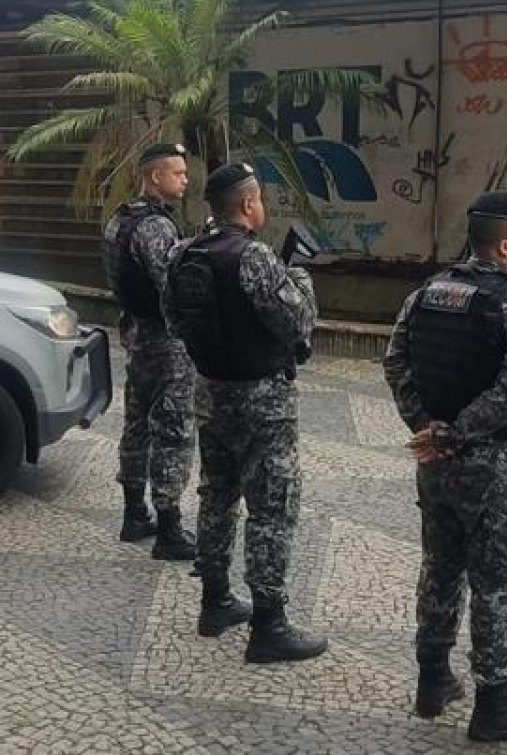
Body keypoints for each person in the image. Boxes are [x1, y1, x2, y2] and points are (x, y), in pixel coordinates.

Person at [382, 191, 507, 743]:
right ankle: (494, 705)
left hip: (437, 463)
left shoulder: (428, 293)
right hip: (492, 466)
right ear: (505, 245)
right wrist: (458, 432)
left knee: (440, 567)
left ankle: (433, 682)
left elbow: (396, 362)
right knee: (497, 582)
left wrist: (430, 429)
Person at [163, 162, 327, 663]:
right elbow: (297, 322)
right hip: (263, 403)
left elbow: (174, 319)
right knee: (271, 508)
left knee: (217, 497)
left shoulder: (181, 252)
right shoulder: (255, 256)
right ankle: (269, 624)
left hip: (211, 393)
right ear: (250, 204)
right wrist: (299, 276)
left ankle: (214, 602)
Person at [102, 141, 198, 561]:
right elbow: (173, 287)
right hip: (165, 340)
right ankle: (170, 527)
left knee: (136, 423)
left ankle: (133, 513)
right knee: (173, 428)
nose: (185, 178)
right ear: (155, 176)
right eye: (177, 172)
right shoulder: (156, 227)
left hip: (135, 335)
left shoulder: (118, 220)